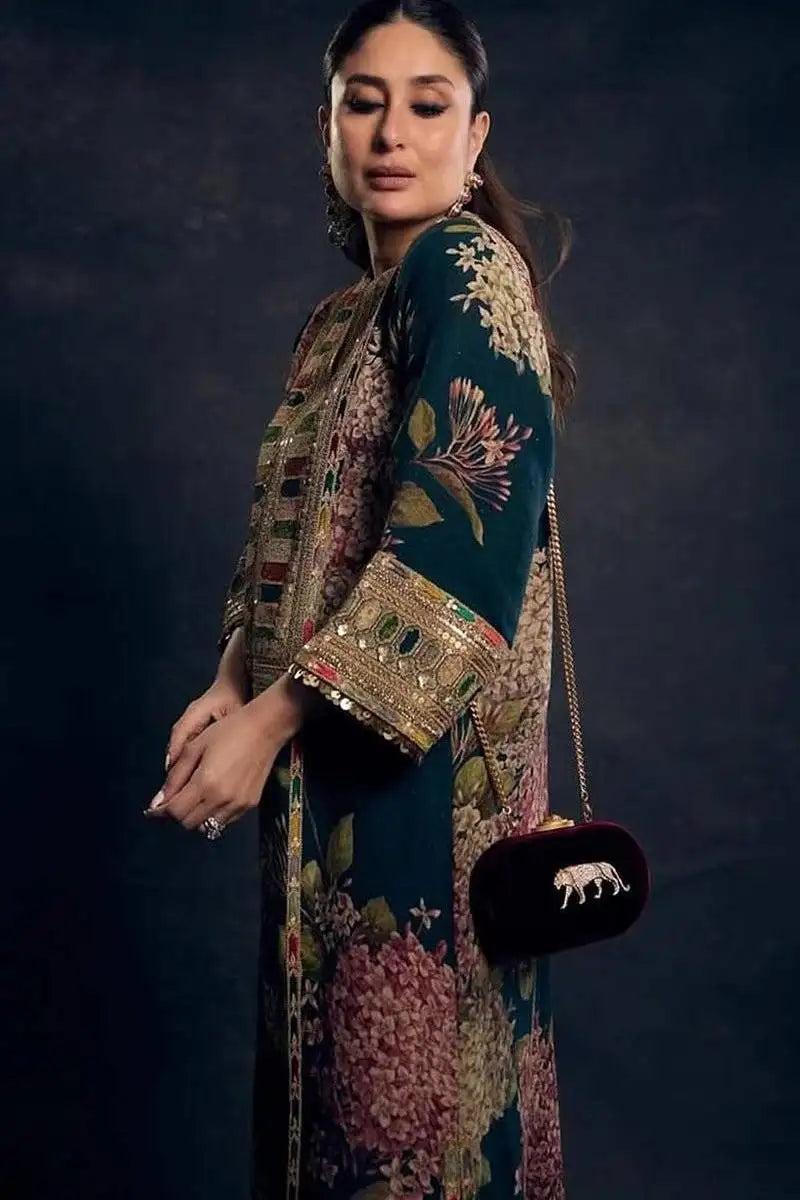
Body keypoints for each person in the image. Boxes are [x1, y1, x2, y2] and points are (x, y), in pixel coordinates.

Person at [145, 1, 577, 1196]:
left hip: (422, 787)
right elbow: (297, 532)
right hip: (319, 785)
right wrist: (229, 681)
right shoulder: (338, 320)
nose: (390, 134)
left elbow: (458, 548)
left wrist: (268, 722)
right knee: (325, 1115)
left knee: (413, 1136)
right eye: (361, 103)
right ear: (326, 128)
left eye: (426, 106)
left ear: (473, 136)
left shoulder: (461, 268)